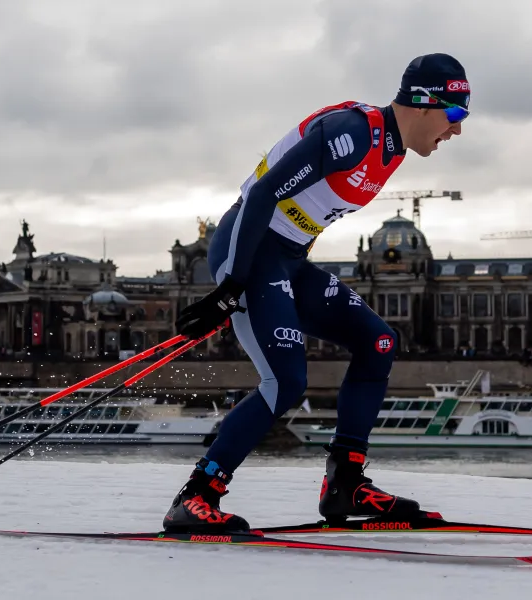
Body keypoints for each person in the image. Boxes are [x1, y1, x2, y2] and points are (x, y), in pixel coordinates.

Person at [164, 53, 469, 533]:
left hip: (285, 259)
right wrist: (231, 286)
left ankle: (345, 483)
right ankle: (196, 497)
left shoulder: (390, 152)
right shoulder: (353, 133)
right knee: (285, 382)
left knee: (379, 342)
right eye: (454, 116)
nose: (455, 131)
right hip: (250, 249)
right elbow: (262, 196)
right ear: (425, 104)